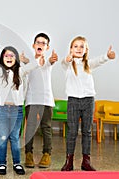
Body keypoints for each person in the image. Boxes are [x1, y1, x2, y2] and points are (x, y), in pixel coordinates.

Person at [0, 46, 44, 175]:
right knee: (3, 137)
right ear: (2, 59)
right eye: (6, 56)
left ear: (16, 58)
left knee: (15, 138)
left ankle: (17, 163)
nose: (9, 58)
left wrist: (39, 61)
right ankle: (2, 164)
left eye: (11, 56)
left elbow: (31, 66)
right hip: (2, 109)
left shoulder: (20, 71)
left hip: (17, 110)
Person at [61, 36, 115, 171]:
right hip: (73, 100)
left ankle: (86, 161)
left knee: (87, 131)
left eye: (81, 46)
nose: (78, 49)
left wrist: (107, 56)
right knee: (72, 131)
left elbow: (99, 61)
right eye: (75, 46)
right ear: (71, 49)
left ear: (86, 50)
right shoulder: (68, 64)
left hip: (88, 100)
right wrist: (67, 59)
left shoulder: (89, 64)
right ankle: (69, 161)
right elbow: (64, 63)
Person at [24, 32, 58, 168]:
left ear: (47, 47)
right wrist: (25, 61)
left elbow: (49, 62)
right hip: (31, 100)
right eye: (38, 42)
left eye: (43, 43)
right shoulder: (29, 62)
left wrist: (52, 59)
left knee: (46, 128)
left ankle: (47, 154)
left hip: (46, 100)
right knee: (30, 128)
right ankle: (28, 154)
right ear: (33, 45)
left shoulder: (48, 62)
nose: (40, 45)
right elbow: (28, 67)